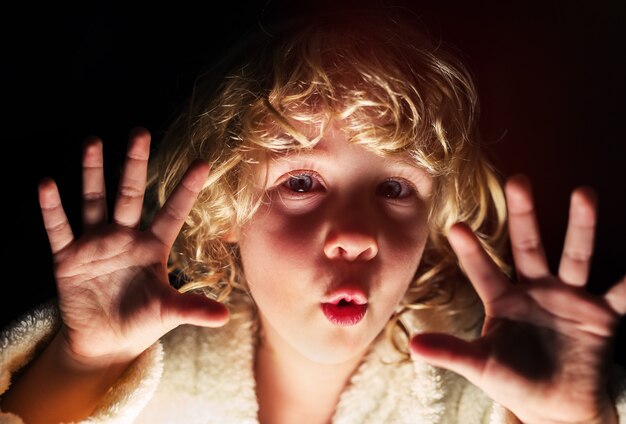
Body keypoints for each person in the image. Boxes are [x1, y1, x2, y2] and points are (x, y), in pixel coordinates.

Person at [1, 7, 625, 424]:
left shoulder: (490, 394)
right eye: (301, 182)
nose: (355, 235)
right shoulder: (155, 382)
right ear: (225, 210)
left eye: (395, 189)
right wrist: (83, 365)